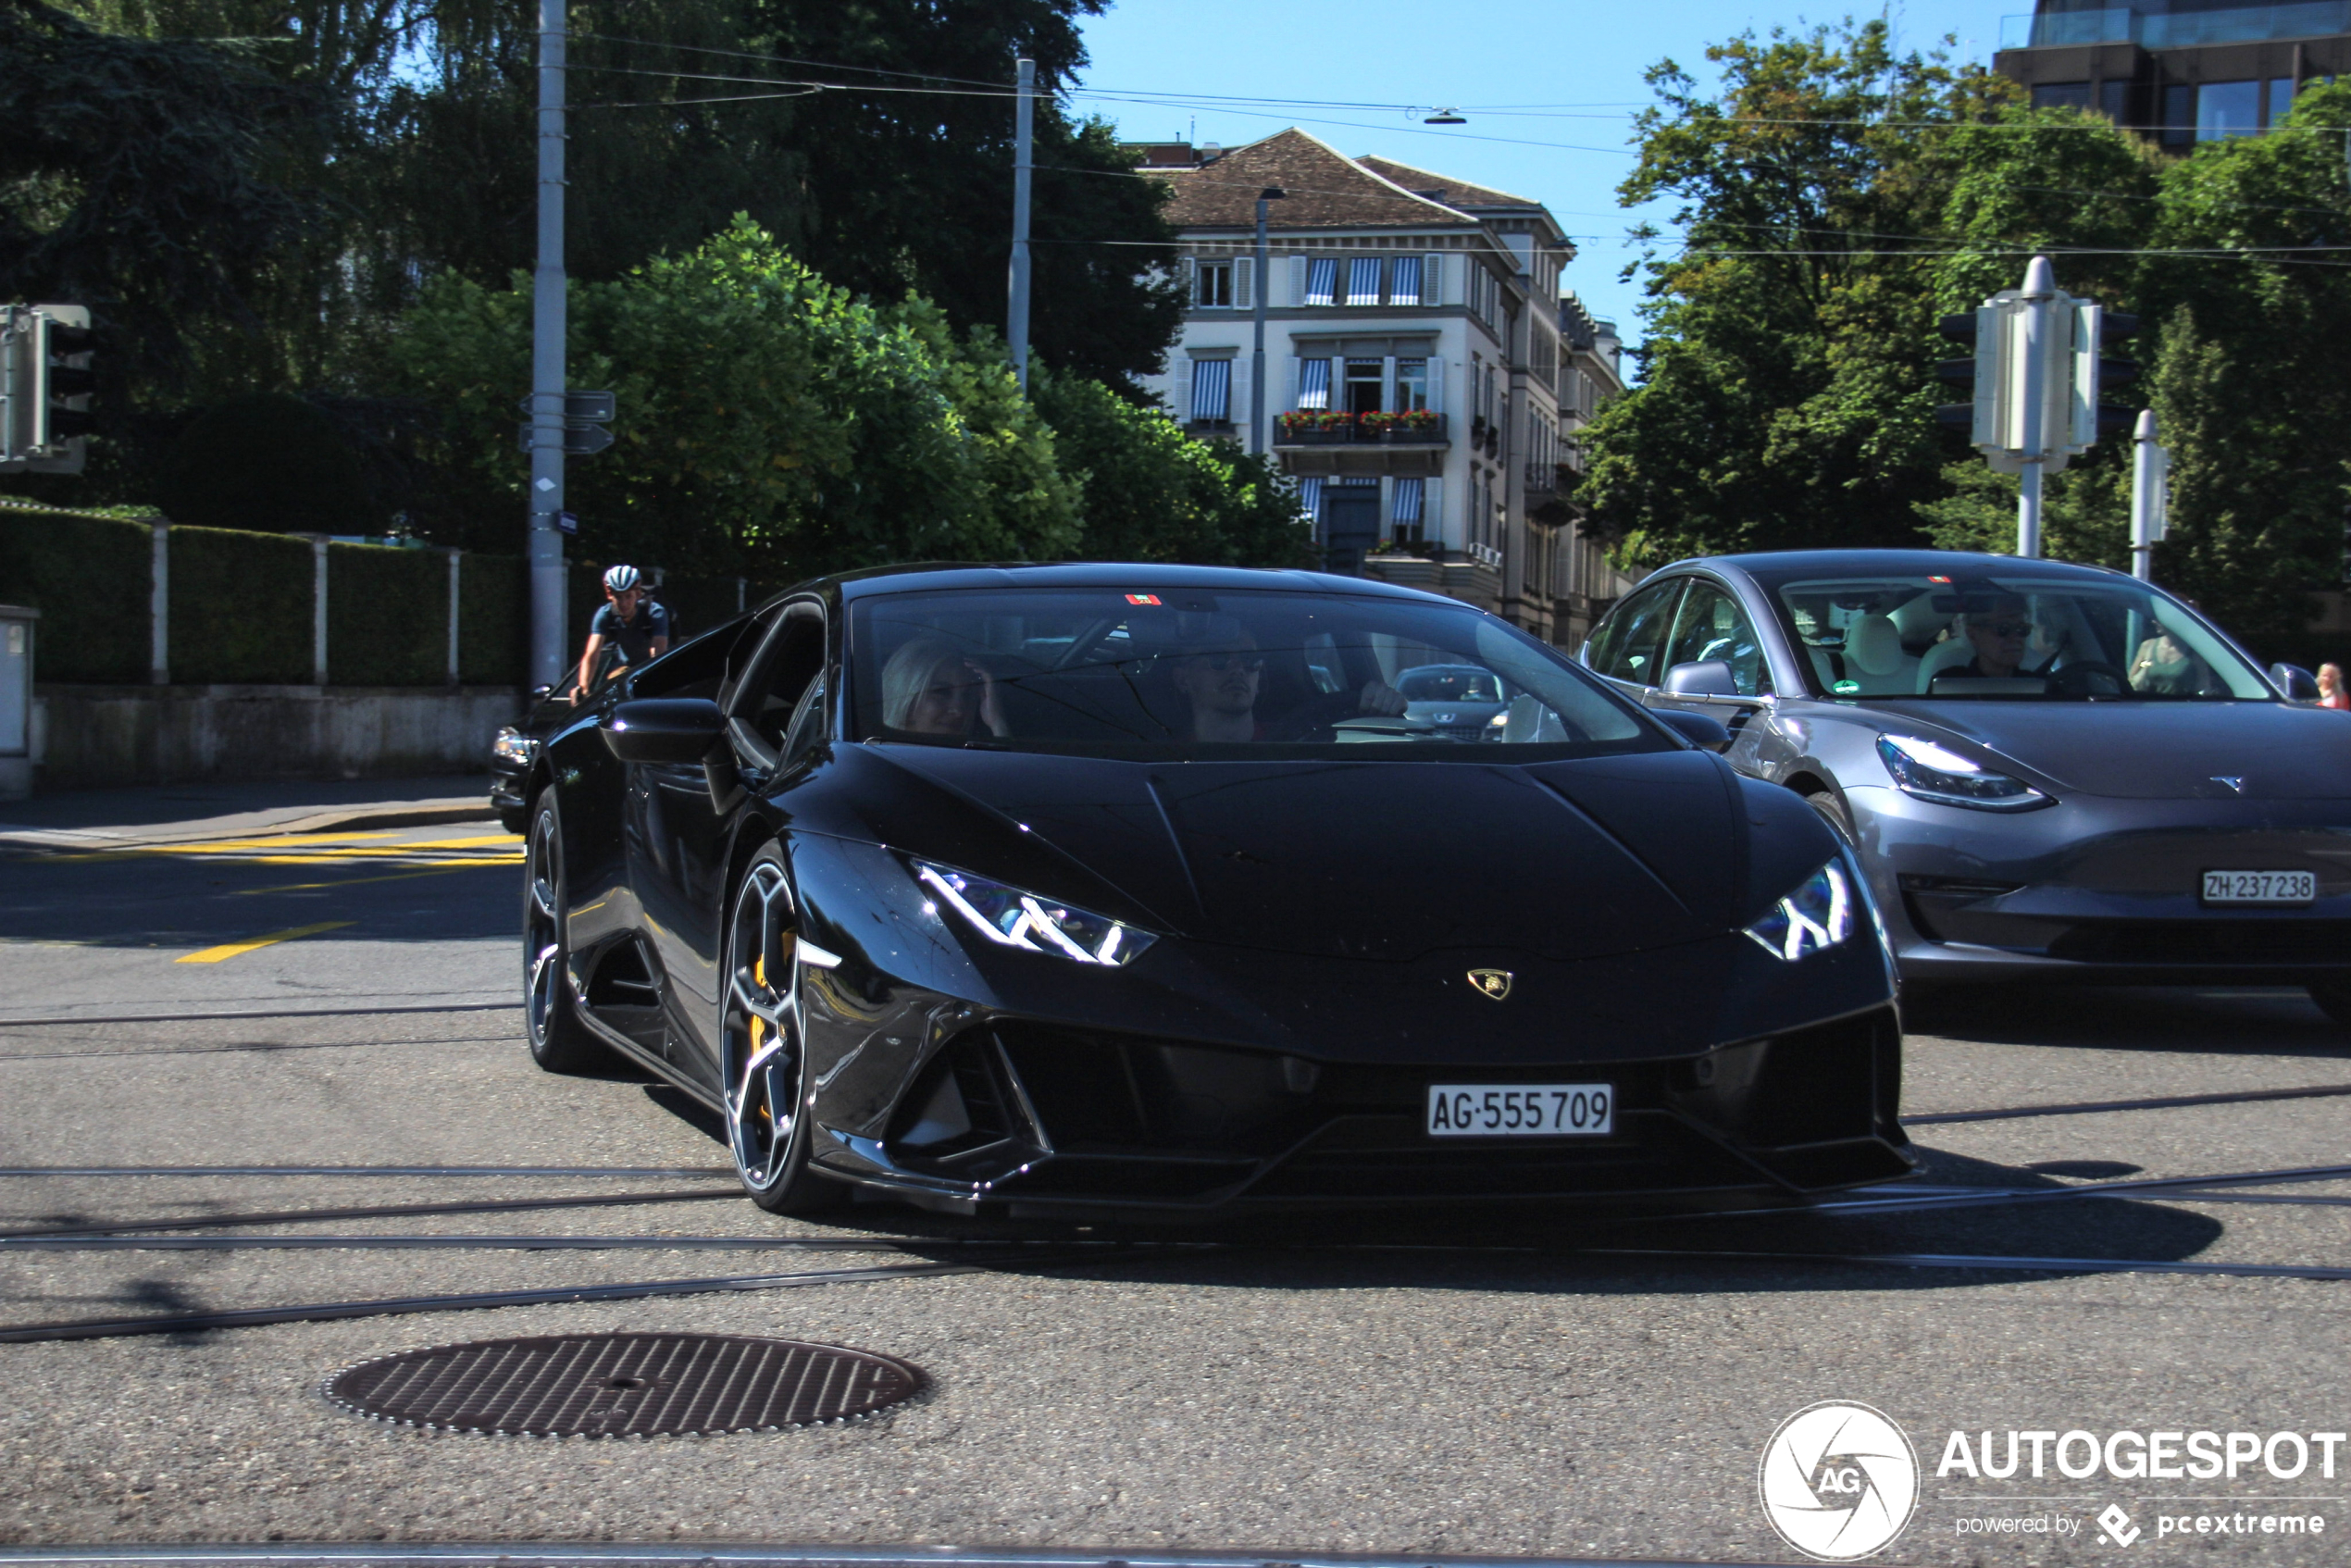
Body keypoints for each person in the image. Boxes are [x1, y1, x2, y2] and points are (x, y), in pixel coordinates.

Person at [1167, 620, 1406, 742]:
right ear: (1183, 679)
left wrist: (1384, 710)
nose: (1239, 669)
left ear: (1259, 678)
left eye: (1250, 660)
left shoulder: (1305, 743)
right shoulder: (1161, 757)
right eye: (1219, 659)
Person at [881, 637, 1010, 738]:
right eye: (942, 692)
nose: (959, 710)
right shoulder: (875, 758)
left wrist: (998, 724)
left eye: (966, 695)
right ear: (904, 692)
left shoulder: (970, 758)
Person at [575, 565, 671, 694]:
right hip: (627, 671)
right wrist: (583, 688)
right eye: (618, 597)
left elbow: (658, 654)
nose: (624, 603)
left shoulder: (655, 613)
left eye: (628, 596)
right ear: (609, 595)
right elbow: (592, 654)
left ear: (637, 594)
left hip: (660, 670)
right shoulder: (605, 614)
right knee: (613, 684)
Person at [1949, 595, 2040, 680]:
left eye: (2022, 629)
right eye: (2003, 628)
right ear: (1973, 636)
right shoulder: (1949, 683)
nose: (2016, 638)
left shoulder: (2040, 686)